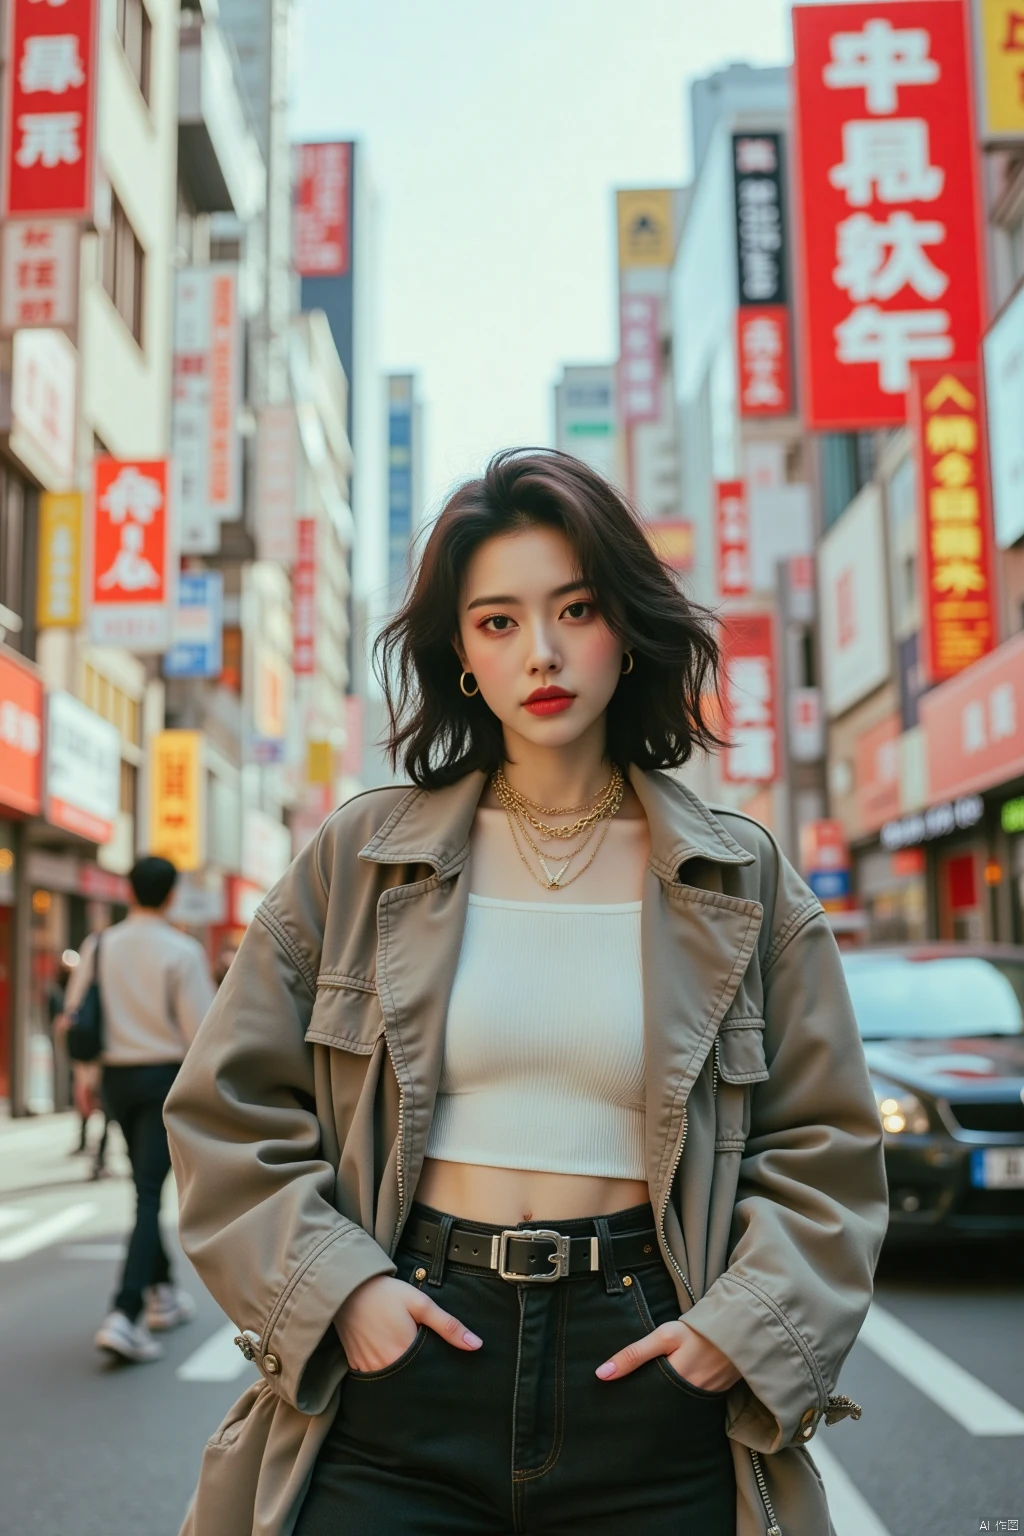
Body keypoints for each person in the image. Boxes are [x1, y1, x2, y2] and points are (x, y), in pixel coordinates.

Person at [165, 450, 888, 1536]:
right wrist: (341, 1292)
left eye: (575, 608)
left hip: (649, 1366)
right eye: (497, 621)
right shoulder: (361, 859)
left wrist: (736, 1330)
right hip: (403, 1360)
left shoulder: (740, 879)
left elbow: (824, 1147)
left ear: (625, 626)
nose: (540, 653)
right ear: (459, 651)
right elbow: (227, 1112)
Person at [69, 856, 216, 1364]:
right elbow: (201, 1035)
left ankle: (164, 1291)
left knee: (143, 1187)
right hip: (163, 1080)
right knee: (150, 1193)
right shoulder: (182, 951)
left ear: (128, 891)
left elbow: (79, 1016)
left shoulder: (100, 944)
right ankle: (125, 1313)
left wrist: (83, 1081)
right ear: (172, 895)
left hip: (115, 1081)